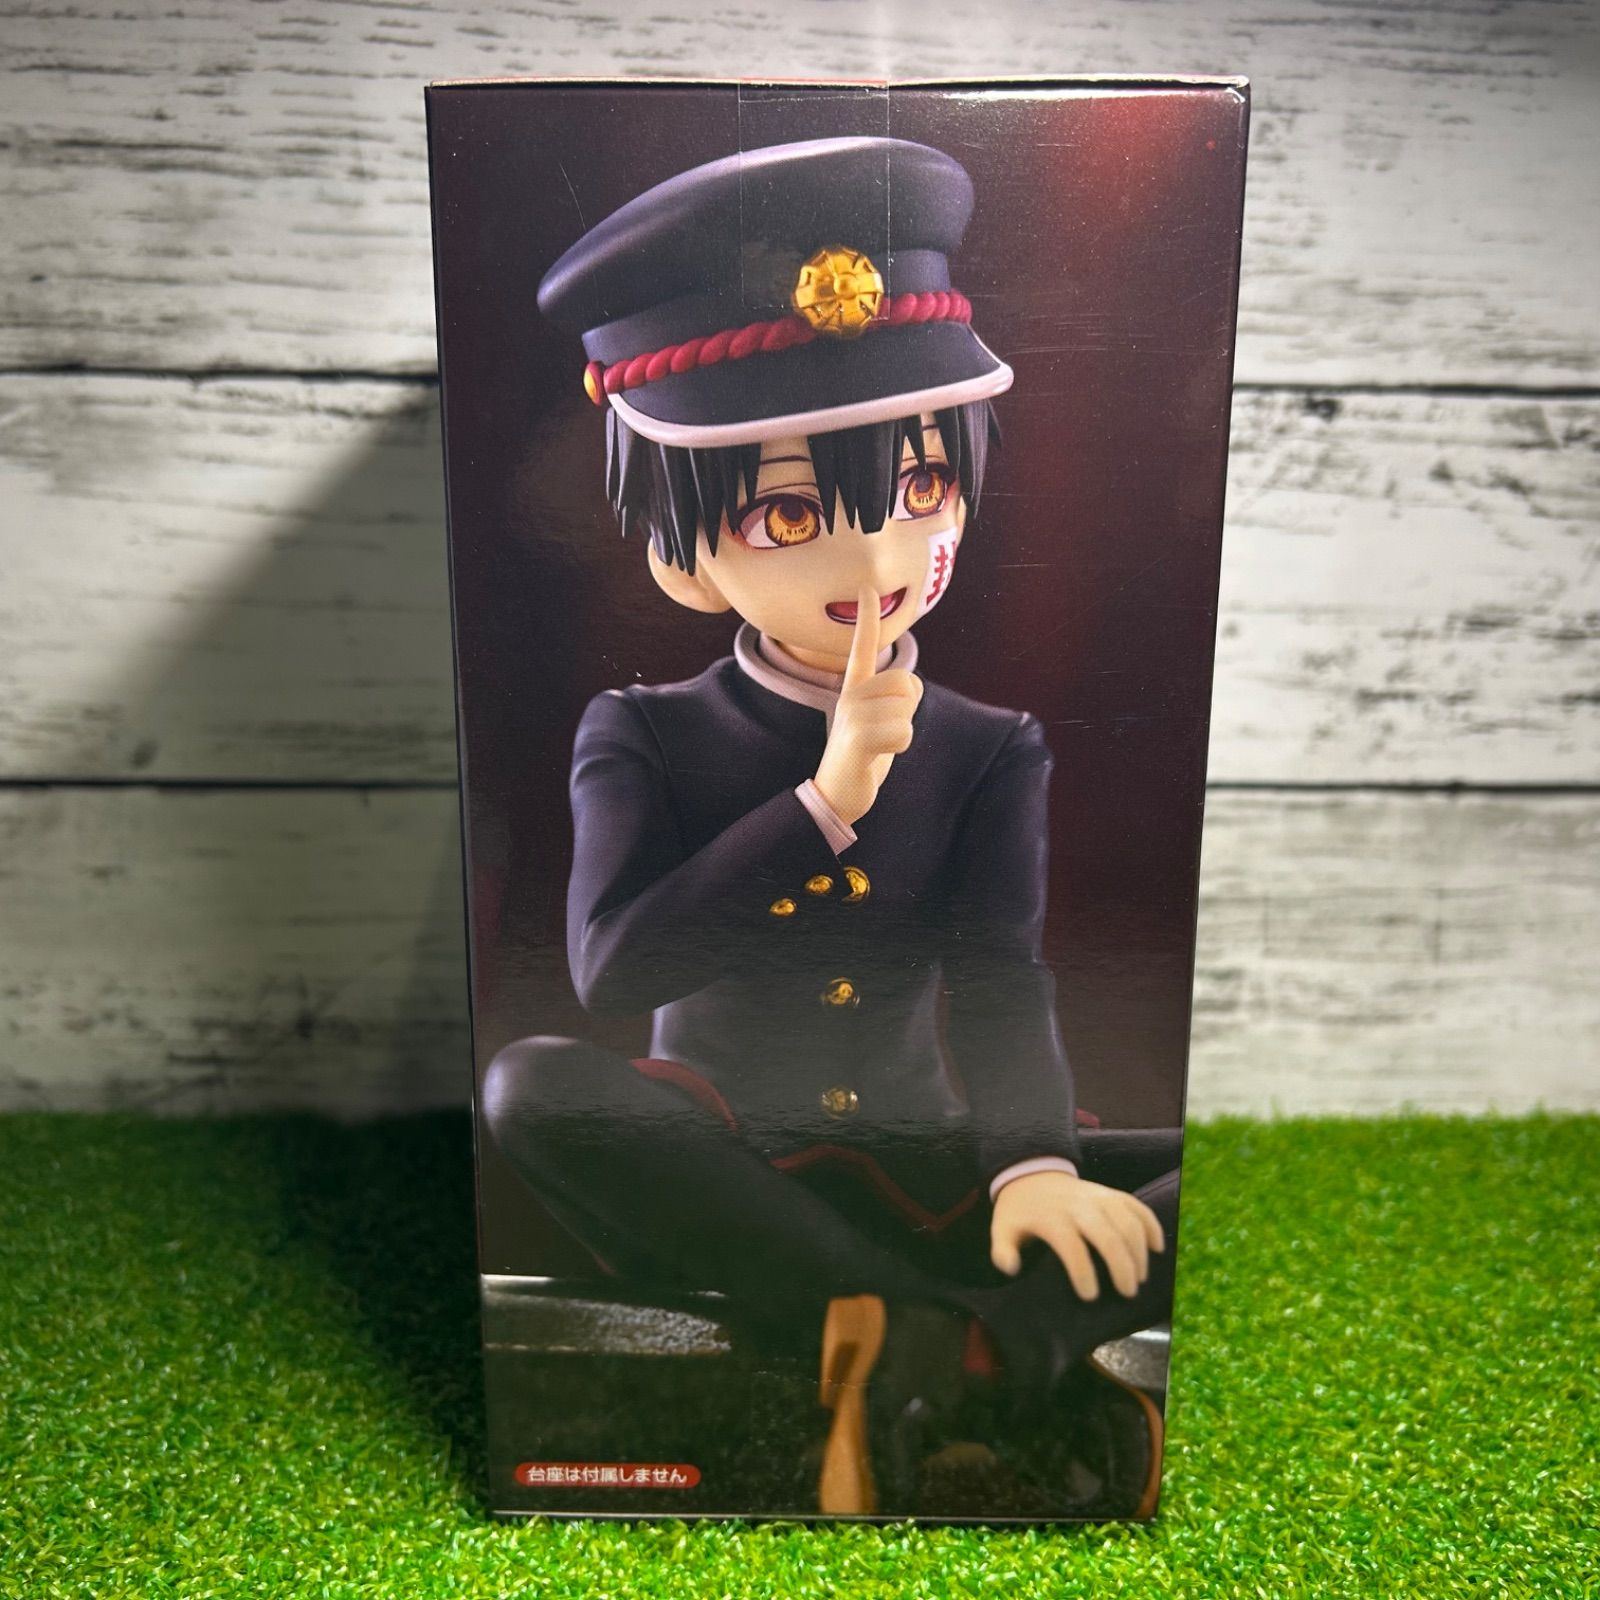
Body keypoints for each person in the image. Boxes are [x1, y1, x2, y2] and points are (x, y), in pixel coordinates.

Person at [483, 135, 1180, 1516]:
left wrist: (1034, 1166)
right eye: (794, 512)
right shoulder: (645, 732)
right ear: (682, 554)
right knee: (533, 1087)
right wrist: (826, 805)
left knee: (1198, 1168)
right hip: (729, 1165)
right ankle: (959, 1334)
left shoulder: (989, 746)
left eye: (920, 492)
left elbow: (1002, 980)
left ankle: (942, 1337)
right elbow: (614, 970)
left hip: (939, 1165)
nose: (875, 558)